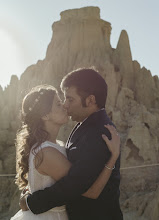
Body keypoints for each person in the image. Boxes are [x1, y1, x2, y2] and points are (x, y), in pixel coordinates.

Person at [11, 82, 121, 220]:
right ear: (45, 115)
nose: (64, 105)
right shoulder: (47, 153)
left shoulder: (55, 145)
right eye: (58, 104)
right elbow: (91, 191)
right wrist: (113, 157)